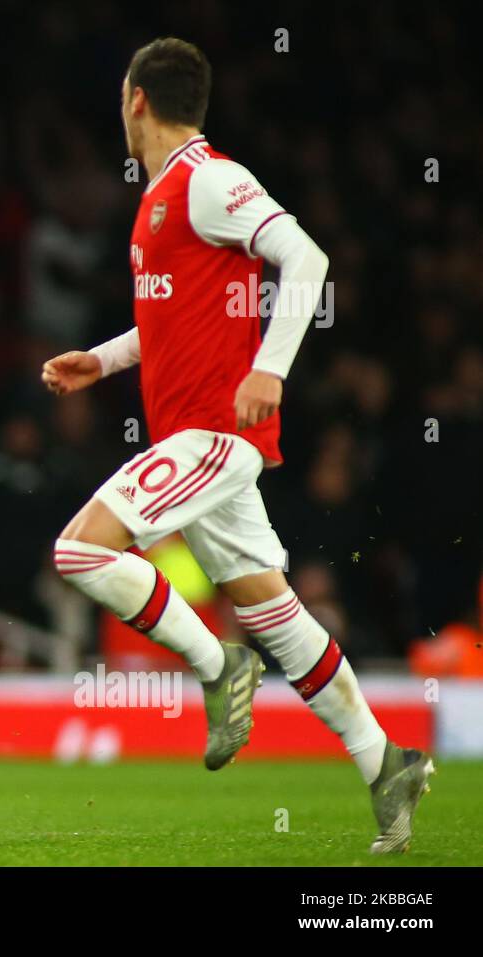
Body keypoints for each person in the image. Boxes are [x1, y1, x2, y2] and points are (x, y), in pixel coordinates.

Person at [42, 37, 432, 854]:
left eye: (122, 97)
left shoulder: (208, 179)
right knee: (273, 610)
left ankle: (218, 667)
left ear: (136, 99)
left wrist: (272, 370)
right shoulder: (160, 198)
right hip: (195, 437)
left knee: (79, 553)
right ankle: (385, 760)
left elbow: (306, 257)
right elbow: (174, 321)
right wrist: (104, 360)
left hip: (217, 433)